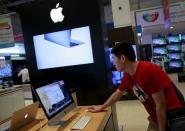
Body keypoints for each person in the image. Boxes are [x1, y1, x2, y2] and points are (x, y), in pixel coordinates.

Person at [88, 42, 185, 131]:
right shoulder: (128, 76)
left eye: (113, 58)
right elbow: (117, 94)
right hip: (158, 117)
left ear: (122, 58)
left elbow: (161, 106)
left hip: (173, 116)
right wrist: (101, 107)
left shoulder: (148, 70)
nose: (113, 62)